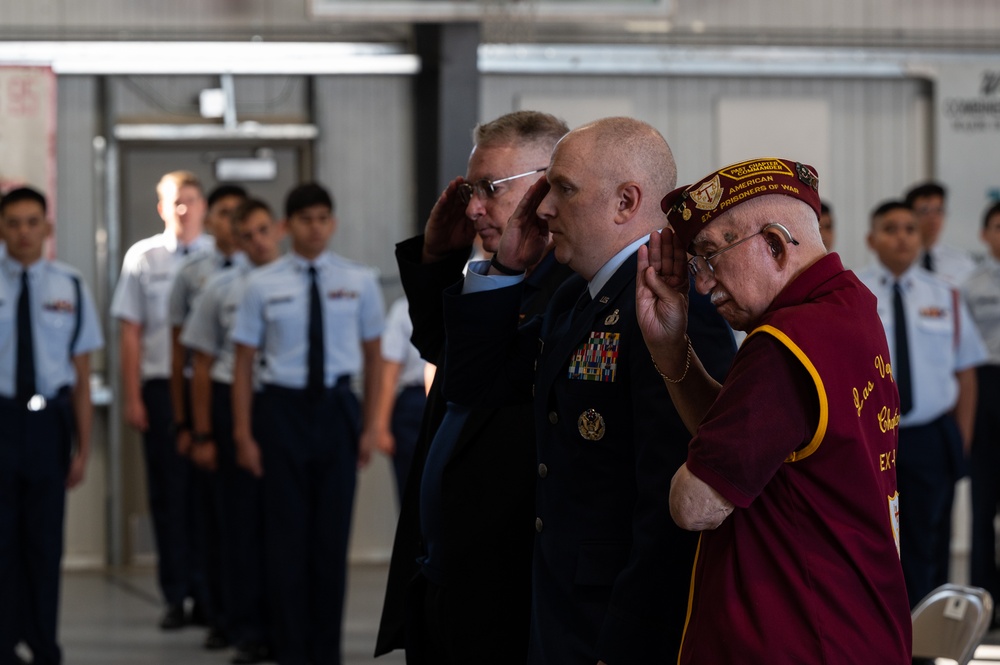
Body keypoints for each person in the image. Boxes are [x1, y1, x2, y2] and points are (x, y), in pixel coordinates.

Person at [440, 117, 735, 664]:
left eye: (564, 189)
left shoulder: (674, 304)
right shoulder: (577, 297)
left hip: (612, 623)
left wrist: (628, 641)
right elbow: (477, 383)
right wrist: (504, 267)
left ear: (626, 201)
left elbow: (669, 512)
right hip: (562, 607)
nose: (545, 208)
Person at [636, 158, 912, 663]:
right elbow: (749, 448)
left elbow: (695, 505)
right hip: (854, 621)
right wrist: (672, 351)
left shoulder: (783, 345)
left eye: (711, 256)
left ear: (775, 243)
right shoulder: (850, 306)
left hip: (799, 635)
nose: (701, 285)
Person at [375, 110, 574, 665]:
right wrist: (437, 259)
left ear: (545, 189)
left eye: (490, 188)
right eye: (469, 189)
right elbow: (453, 362)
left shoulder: (571, 289)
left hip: (507, 591)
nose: (472, 207)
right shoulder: (494, 278)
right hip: (447, 579)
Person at [230, 182, 384, 665]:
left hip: (337, 410)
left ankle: (325, 652)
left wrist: (369, 427)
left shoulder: (358, 281)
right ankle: (291, 649)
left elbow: (374, 359)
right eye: (304, 219)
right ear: (286, 226)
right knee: (285, 540)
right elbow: (242, 364)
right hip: (281, 412)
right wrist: (242, 433)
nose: (314, 227)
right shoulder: (261, 284)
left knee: (329, 541)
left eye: (322, 218)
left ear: (332, 223)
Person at [857, 199, 986, 610]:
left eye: (910, 229)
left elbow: (966, 372)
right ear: (871, 239)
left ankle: (926, 645)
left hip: (930, 436)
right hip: (874, 437)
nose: (902, 237)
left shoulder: (944, 296)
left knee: (929, 540)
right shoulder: (854, 293)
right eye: (891, 228)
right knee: (875, 539)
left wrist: (959, 439)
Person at [0, 187, 104, 665]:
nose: (23, 232)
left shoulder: (71, 286)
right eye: (14, 222)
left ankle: (44, 643)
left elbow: (81, 376)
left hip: (48, 426)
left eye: (32, 222)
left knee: (44, 542)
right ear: (2, 229)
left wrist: (82, 448)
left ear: (47, 228)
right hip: (1, 420)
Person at [181, 198, 283, 664]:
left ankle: (284, 624)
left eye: (265, 230)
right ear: (236, 241)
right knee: (236, 526)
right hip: (228, 402)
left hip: (279, 404)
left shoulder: (294, 281)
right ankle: (242, 627)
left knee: (281, 524)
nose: (259, 241)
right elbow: (200, 365)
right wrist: (201, 433)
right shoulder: (220, 287)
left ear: (277, 230)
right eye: (249, 234)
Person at [111, 170, 214, 629]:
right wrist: (132, 396)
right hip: (159, 389)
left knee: (209, 499)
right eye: (174, 201)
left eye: (191, 200)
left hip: (210, 389)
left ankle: (211, 597)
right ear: (161, 208)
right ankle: (175, 595)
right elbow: (130, 334)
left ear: (204, 205)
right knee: (169, 496)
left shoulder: (219, 257)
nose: (183, 209)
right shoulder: (143, 257)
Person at [168, 182, 248, 650]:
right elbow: (182, 354)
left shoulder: (265, 272)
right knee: (214, 518)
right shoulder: (193, 274)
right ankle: (218, 611)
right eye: (224, 213)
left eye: (241, 213)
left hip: (257, 402)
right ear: (211, 220)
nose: (232, 222)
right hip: (210, 400)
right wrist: (187, 425)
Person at [964, 200, 1000, 620]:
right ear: (984, 235)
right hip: (987, 386)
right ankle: (985, 602)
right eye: (997, 226)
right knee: (983, 500)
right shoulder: (968, 286)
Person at [371, 295, 428, 503]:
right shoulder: (403, 309)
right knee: (410, 488)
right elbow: (390, 374)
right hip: (414, 400)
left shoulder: (465, 295)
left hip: (453, 397)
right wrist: (381, 426)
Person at [905, 181, 976, 285]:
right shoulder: (900, 259)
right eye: (925, 211)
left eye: (939, 210)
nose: (933, 217)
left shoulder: (962, 262)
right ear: (909, 215)